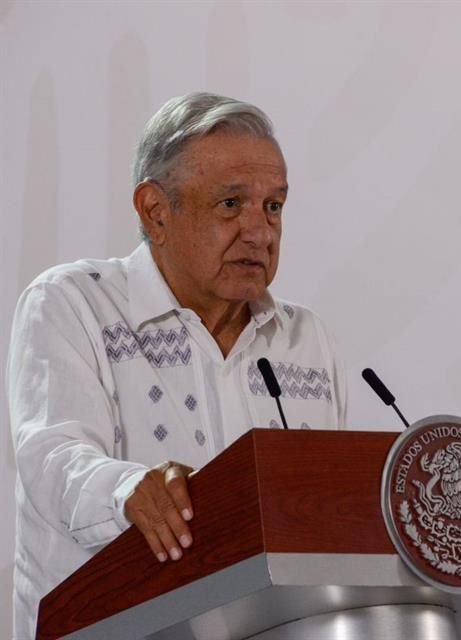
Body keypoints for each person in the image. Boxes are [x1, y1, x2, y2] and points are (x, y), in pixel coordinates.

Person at [6, 92, 347, 639]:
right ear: (155, 211)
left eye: (274, 206)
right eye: (231, 203)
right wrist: (132, 491)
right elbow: (52, 457)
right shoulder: (74, 303)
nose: (260, 231)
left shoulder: (305, 339)